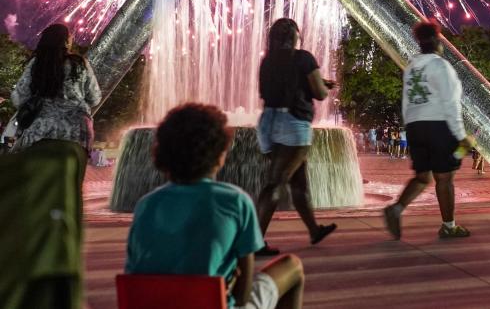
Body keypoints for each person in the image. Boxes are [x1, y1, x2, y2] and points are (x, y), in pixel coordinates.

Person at [126, 103, 305, 309]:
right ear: (220, 155)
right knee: (292, 266)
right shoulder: (235, 202)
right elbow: (242, 296)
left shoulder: (146, 206)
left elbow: (135, 275)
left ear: (163, 154)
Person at [384, 20, 474, 239]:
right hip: (438, 126)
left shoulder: (412, 67)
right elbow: (451, 105)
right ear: (437, 42)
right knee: (445, 178)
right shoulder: (441, 66)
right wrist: (462, 137)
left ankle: (396, 209)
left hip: (415, 127)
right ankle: (449, 226)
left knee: (423, 176)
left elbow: (405, 102)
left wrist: (411, 127)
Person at [255, 18, 336, 256]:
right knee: (276, 182)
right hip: (292, 124)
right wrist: (323, 85)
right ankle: (255, 241)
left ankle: (314, 230)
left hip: (268, 121)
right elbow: (320, 94)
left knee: (298, 181)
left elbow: (269, 90)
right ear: (295, 36)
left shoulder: (267, 61)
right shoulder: (304, 58)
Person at [11, 24, 101, 170]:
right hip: (76, 132)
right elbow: (95, 97)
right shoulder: (79, 63)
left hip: (40, 131)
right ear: (65, 41)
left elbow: (18, 98)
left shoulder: (37, 64)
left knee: (37, 180)